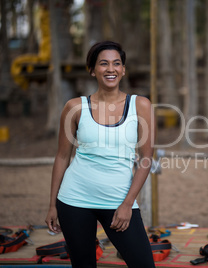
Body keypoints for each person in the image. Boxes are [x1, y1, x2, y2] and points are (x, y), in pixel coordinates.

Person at [45, 41, 156, 267]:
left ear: (123, 70)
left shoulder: (140, 105)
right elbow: (62, 157)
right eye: (103, 64)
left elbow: (145, 160)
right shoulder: (75, 107)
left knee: (143, 263)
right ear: (92, 69)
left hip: (119, 201)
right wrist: (52, 204)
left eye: (116, 64)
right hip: (74, 199)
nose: (110, 69)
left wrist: (127, 204)